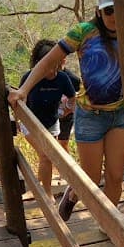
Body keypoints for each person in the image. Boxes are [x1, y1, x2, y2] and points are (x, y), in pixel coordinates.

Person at [9, 0, 124, 221]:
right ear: (98, 11)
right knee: (91, 179)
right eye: (109, 10)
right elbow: (47, 61)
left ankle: (109, 225)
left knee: (115, 176)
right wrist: (23, 90)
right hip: (90, 116)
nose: (114, 16)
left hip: (120, 114)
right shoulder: (84, 32)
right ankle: (72, 195)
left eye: (119, 9)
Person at [18, 39, 77, 193]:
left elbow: (72, 99)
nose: (50, 69)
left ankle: (38, 186)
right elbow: (19, 103)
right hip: (30, 124)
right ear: (39, 62)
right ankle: (47, 195)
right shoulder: (29, 78)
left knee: (49, 157)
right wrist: (21, 120)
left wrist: (64, 111)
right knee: (45, 156)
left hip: (51, 123)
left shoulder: (63, 78)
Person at [56, 68, 81, 152]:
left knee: (62, 143)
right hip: (48, 113)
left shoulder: (73, 79)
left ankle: (65, 164)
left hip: (66, 115)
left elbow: (77, 96)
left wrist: (68, 108)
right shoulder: (41, 75)